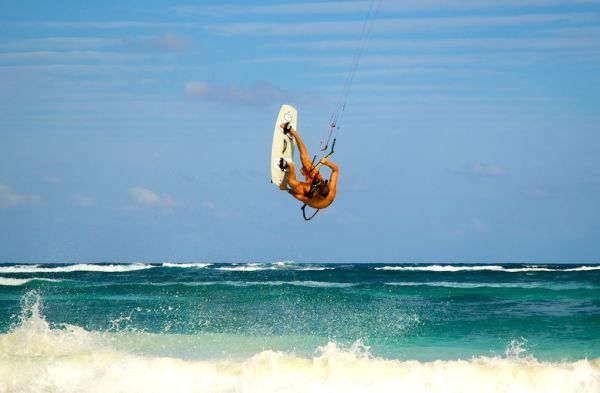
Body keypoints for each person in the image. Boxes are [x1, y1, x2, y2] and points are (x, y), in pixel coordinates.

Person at [278, 122, 338, 210]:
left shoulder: (316, 203)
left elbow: (299, 197)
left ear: (320, 196)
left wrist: (288, 190)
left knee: (292, 183)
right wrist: (326, 163)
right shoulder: (330, 188)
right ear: (326, 185)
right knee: (304, 157)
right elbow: (336, 170)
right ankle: (293, 132)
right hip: (317, 180)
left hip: (308, 193)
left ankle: (289, 166)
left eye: (317, 192)